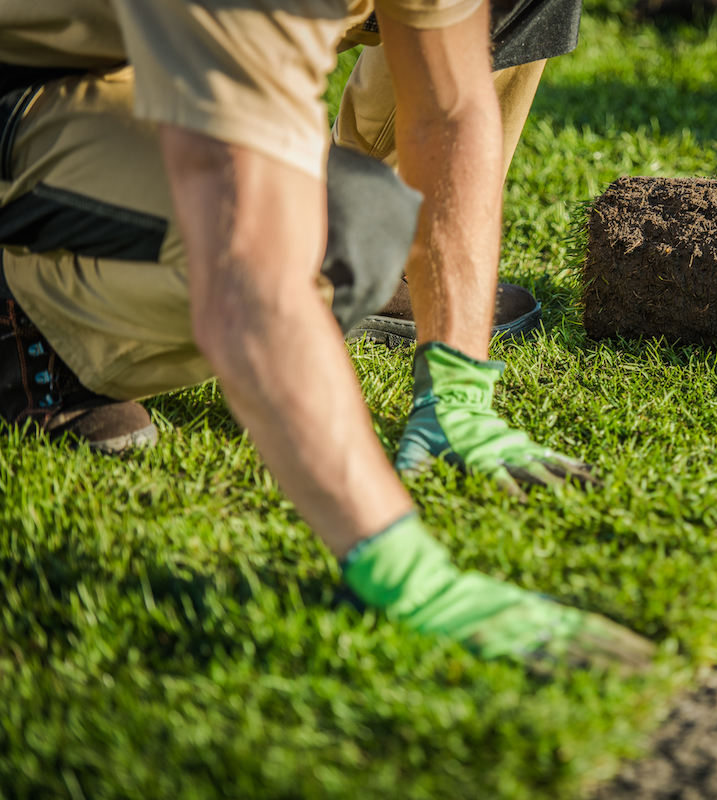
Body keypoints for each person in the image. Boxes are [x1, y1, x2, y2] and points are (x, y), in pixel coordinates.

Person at [0, 0, 654, 673]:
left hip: (157, 49)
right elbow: (251, 263)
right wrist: (400, 567)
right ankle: (27, 316)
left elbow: (450, 109)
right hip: (37, 84)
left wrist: (457, 391)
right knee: (342, 228)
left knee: (344, 224)